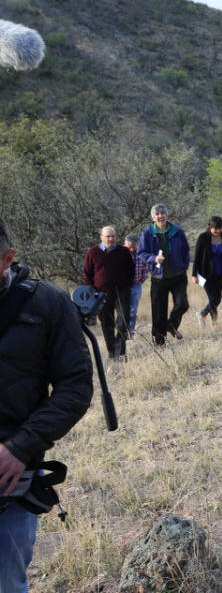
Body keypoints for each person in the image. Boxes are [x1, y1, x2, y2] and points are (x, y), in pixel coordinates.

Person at [0, 216, 93, 592]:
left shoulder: (47, 303)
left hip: (10, 481)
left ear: (8, 258)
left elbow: (76, 386)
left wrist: (20, 447)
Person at [136, 204, 190, 346]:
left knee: (182, 304)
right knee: (159, 311)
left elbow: (186, 250)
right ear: (153, 217)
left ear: (167, 215)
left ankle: (171, 325)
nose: (160, 216)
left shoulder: (177, 231)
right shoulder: (147, 234)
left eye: (162, 213)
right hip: (158, 278)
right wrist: (154, 258)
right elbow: (141, 253)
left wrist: (184, 265)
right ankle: (159, 342)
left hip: (178, 276)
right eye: (157, 214)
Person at [82, 226, 134, 360]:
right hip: (101, 294)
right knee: (106, 323)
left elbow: (131, 269)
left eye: (113, 236)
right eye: (107, 236)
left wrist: (127, 284)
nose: (111, 239)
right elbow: (87, 273)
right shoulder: (92, 252)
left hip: (121, 291)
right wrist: (91, 292)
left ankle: (121, 352)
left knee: (123, 320)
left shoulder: (124, 251)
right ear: (101, 237)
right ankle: (112, 352)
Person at [192, 216, 222, 329]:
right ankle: (215, 324)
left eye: (220, 229)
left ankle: (202, 314)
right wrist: (194, 274)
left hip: (220, 272)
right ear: (210, 227)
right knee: (213, 299)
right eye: (215, 229)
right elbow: (197, 257)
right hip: (204, 273)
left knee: (218, 299)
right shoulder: (203, 238)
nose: (218, 231)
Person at [124, 234, 149, 338]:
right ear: (125, 244)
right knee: (122, 310)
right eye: (128, 246)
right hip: (122, 286)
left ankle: (130, 333)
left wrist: (140, 281)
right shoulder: (119, 253)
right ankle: (122, 332)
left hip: (135, 286)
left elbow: (145, 269)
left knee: (133, 311)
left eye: (133, 247)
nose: (131, 249)